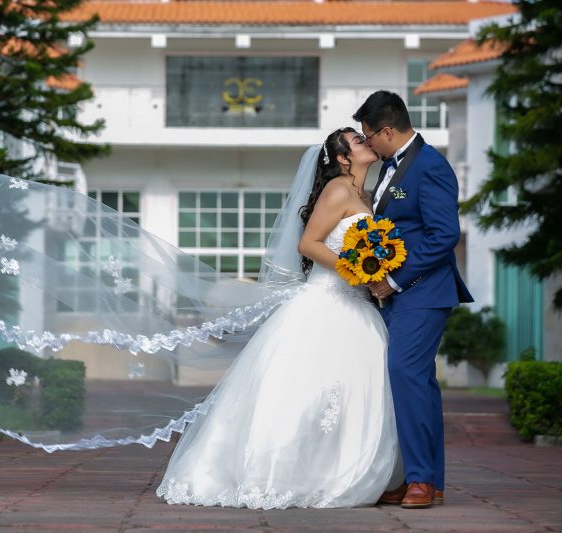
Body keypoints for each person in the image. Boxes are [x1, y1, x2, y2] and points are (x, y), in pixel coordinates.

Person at [155, 128, 401, 509]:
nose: (366, 142)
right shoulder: (337, 189)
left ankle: (336, 469)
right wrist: (361, 271)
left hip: (358, 308)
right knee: (305, 391)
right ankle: (279, 473)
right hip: (325, 303)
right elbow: (308, 244)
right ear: (342, 157)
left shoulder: (365, 196)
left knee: (350, 393)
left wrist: (371, 274)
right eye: (356, 140)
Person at [353, 91, 473, 509]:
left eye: (369, 136)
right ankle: (424, 479)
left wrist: (395, 281)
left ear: (388, 130)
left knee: (404, 374)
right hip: (398, 294)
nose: (367, 144)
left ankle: (420, 479)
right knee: (417, 383)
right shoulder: (391, 166)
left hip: (423, 292)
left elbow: (445, 235)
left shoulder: (431, 166)